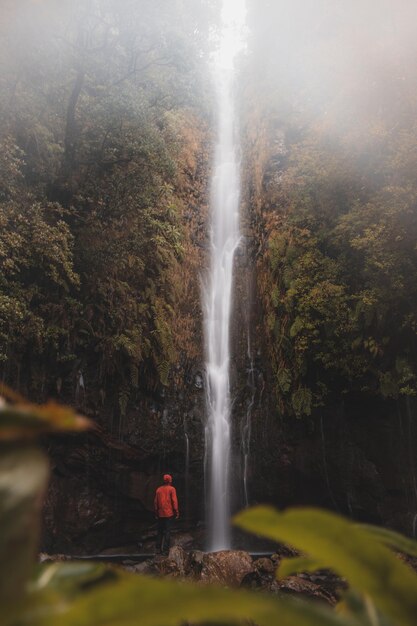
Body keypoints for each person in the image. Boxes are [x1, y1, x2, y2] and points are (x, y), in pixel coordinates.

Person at [154, 474, 179, 555]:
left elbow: (155, 502)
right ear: (170, 481)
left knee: (160, 532)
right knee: (167, 532)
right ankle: (165, 551)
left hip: (160, 514)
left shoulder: (158, 490)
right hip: (169, 514)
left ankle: (158, 549)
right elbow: (174, 501)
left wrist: (156, 512)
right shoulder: (172, 489)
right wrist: (176, 511)